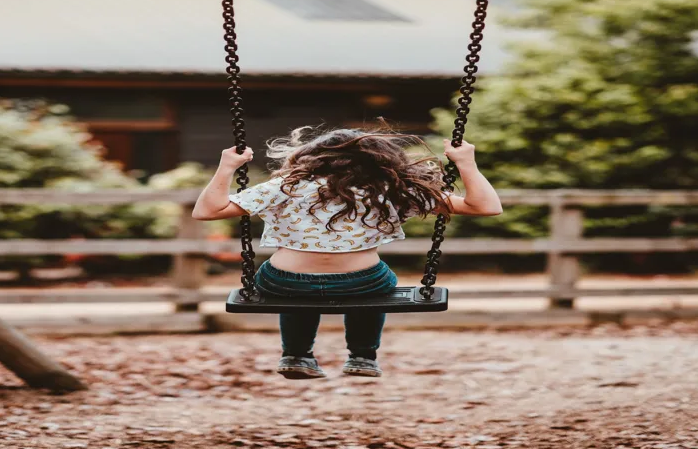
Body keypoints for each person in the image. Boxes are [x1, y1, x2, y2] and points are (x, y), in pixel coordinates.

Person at [192, 127, 502, 380]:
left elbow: (207, 211)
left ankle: (296, 354)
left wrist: (227, 167)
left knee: (296, 296)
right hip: (362, 282)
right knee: (379, 288)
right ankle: (363, 356)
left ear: (310, 158)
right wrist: (466, 162)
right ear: (382, 160)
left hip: (284, 282)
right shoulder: (391, 189)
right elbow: (485, 207)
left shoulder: (285, 187)